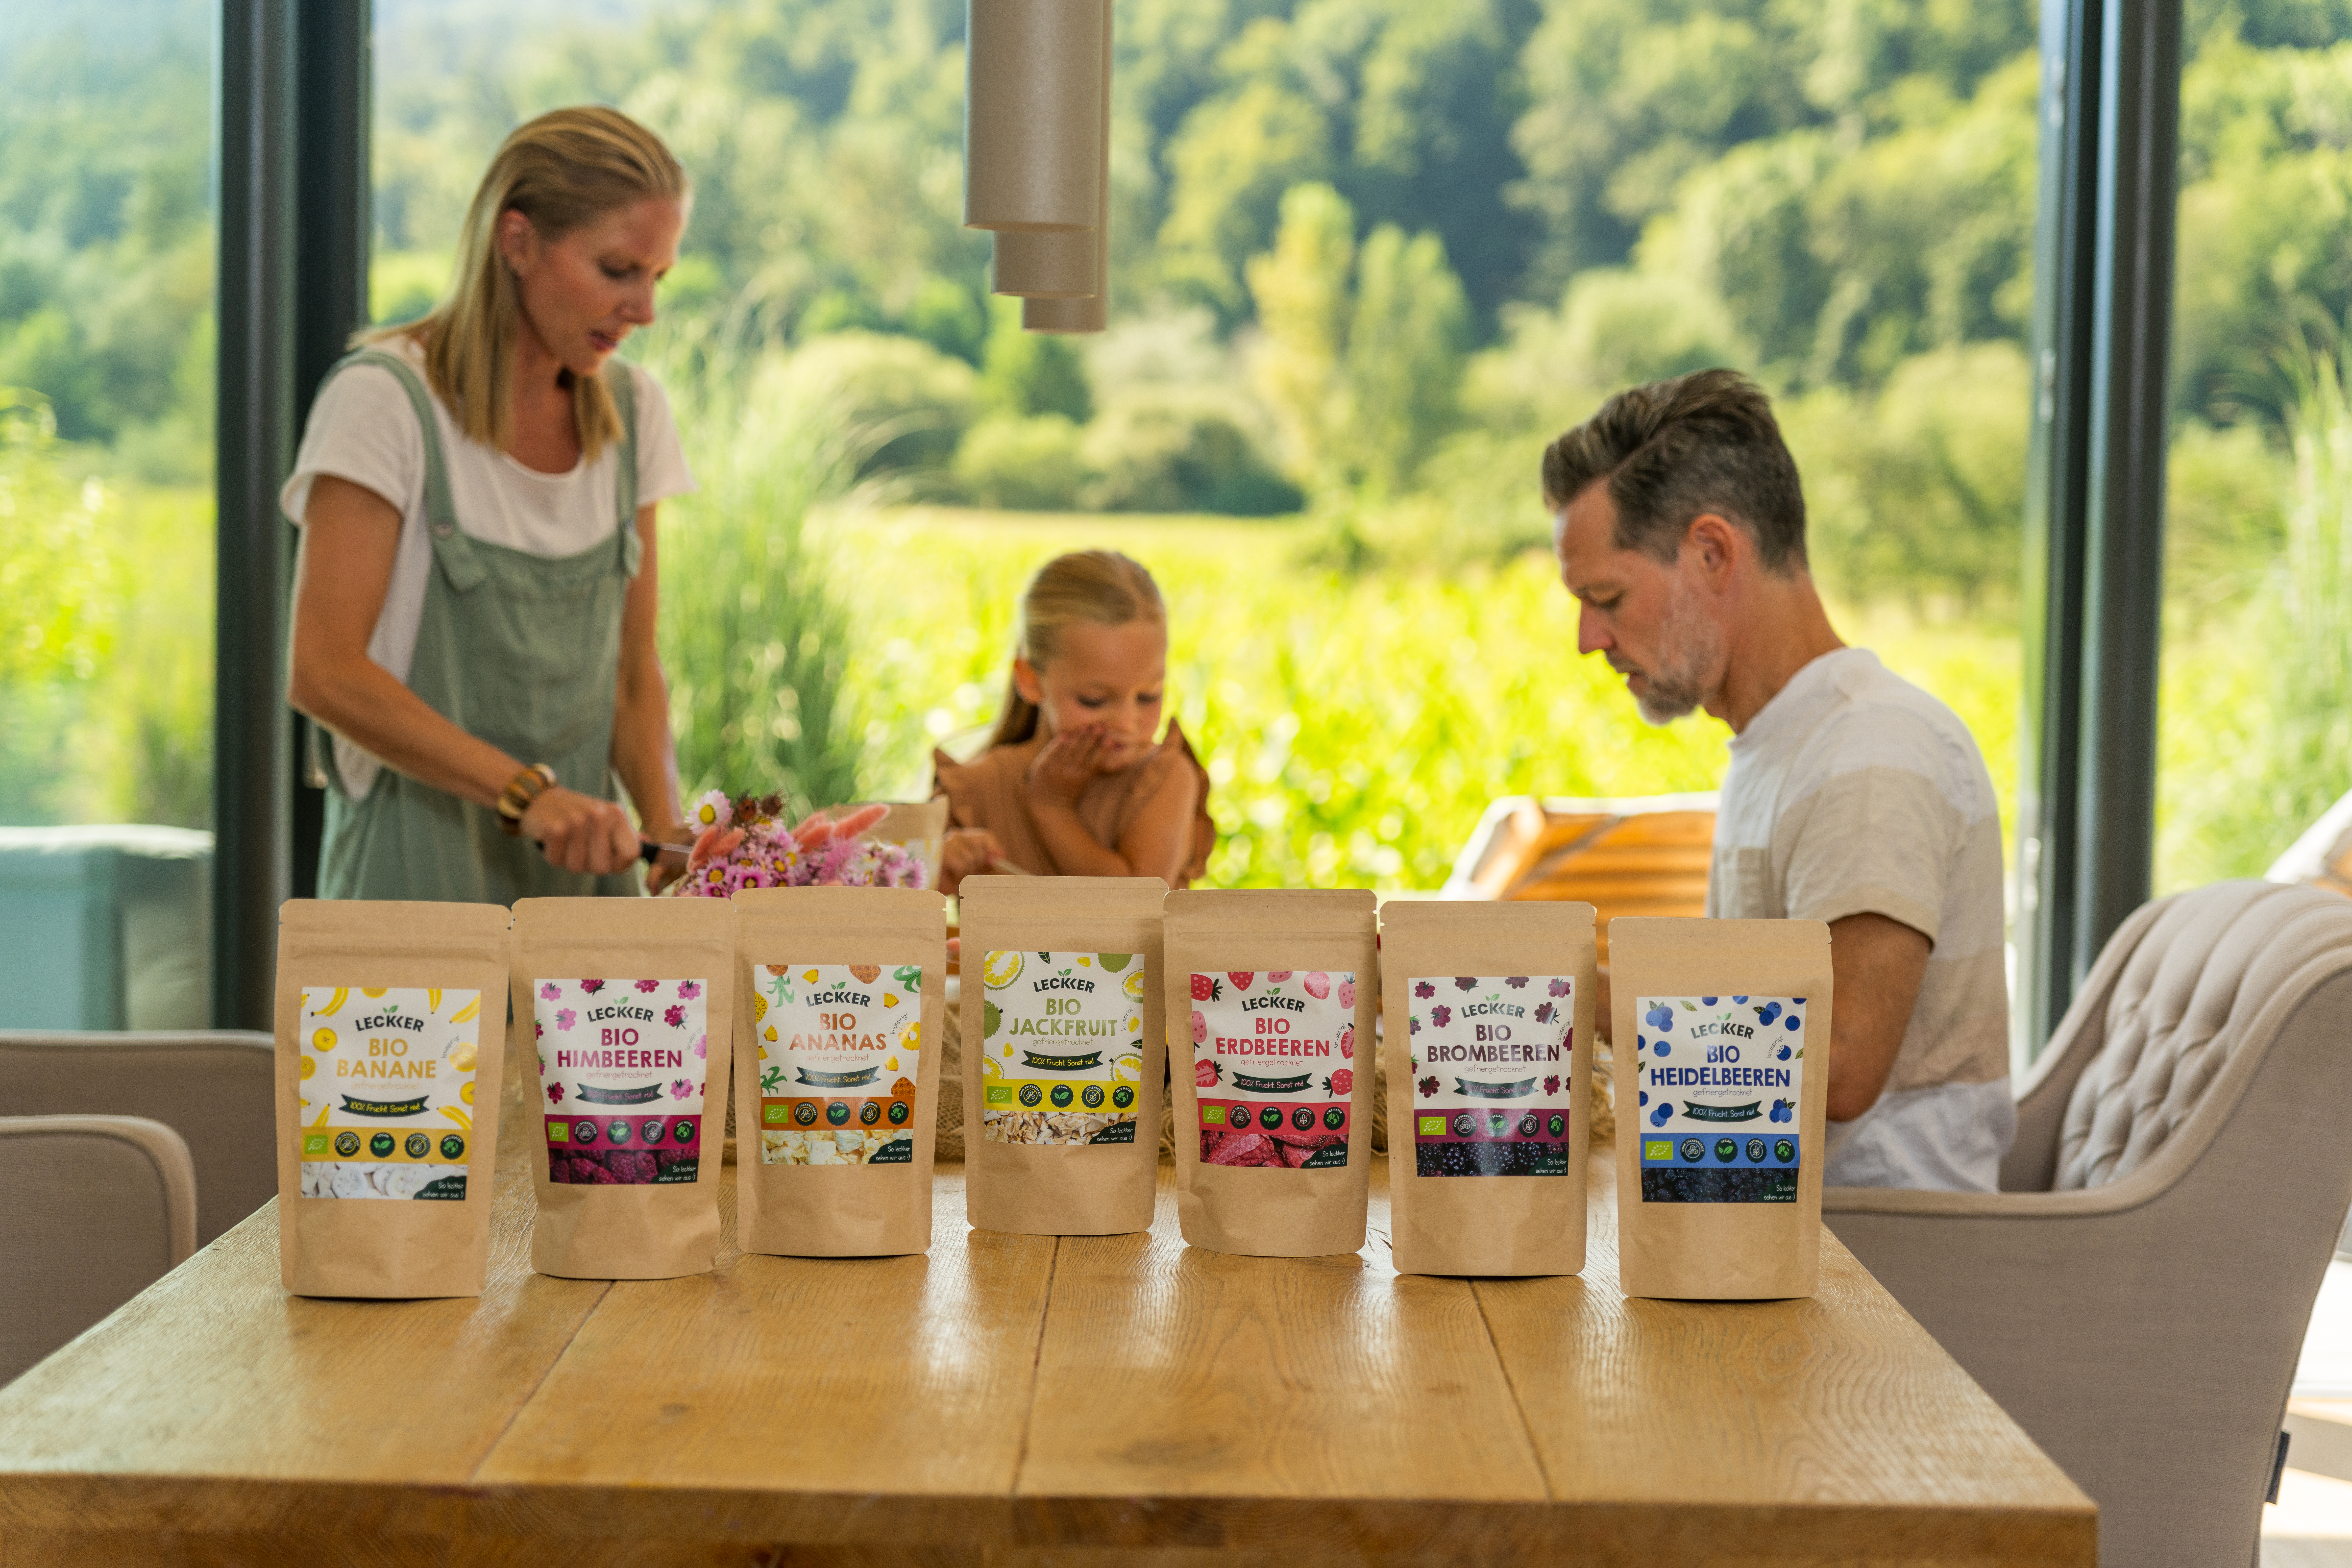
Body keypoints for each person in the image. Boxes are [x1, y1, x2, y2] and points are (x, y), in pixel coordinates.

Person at [1545, 369, 2013, 1191]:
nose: (1589, 638)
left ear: (1713, 553)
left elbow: (1834, 1064)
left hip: (1873, 1269)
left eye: (1607, 597)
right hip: (1771, 1230)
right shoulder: (1784, 744)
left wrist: (1558, 996)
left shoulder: (1871, 751)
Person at [284, 107, 697, 902]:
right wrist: (531, 797)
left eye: (658, 277)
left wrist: (669, 835)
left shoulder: (636, 413)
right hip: (409, 889)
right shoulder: (384, 400)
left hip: (585, 901)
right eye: (618, 270)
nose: (645, 309)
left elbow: (633, 679)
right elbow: (324, 673)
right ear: (517, 243)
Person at [932, 550, 1215, 894]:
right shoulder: (973, 790)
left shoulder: (1165, 779)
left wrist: (1053, 808)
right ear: (1031, 680)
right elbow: (899, 915)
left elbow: (1135, 905)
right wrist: (939, 868)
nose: (1127, 723)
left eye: (1149, 696)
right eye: (1093, 701)